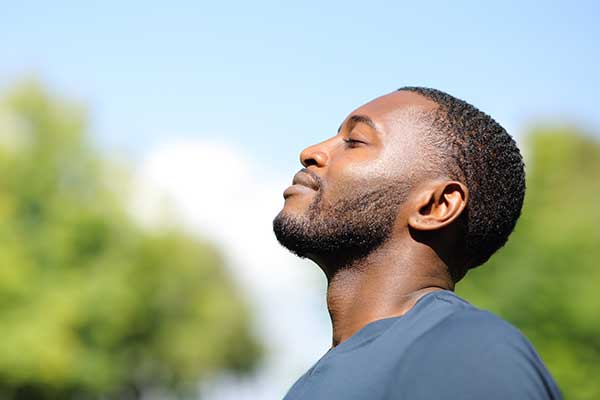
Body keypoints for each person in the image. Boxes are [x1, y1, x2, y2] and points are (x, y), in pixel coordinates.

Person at [272, 87, 562, 399]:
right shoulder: (313, 383)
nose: (311, 152)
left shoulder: (470, 352)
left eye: (355, 141)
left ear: (436, 206)